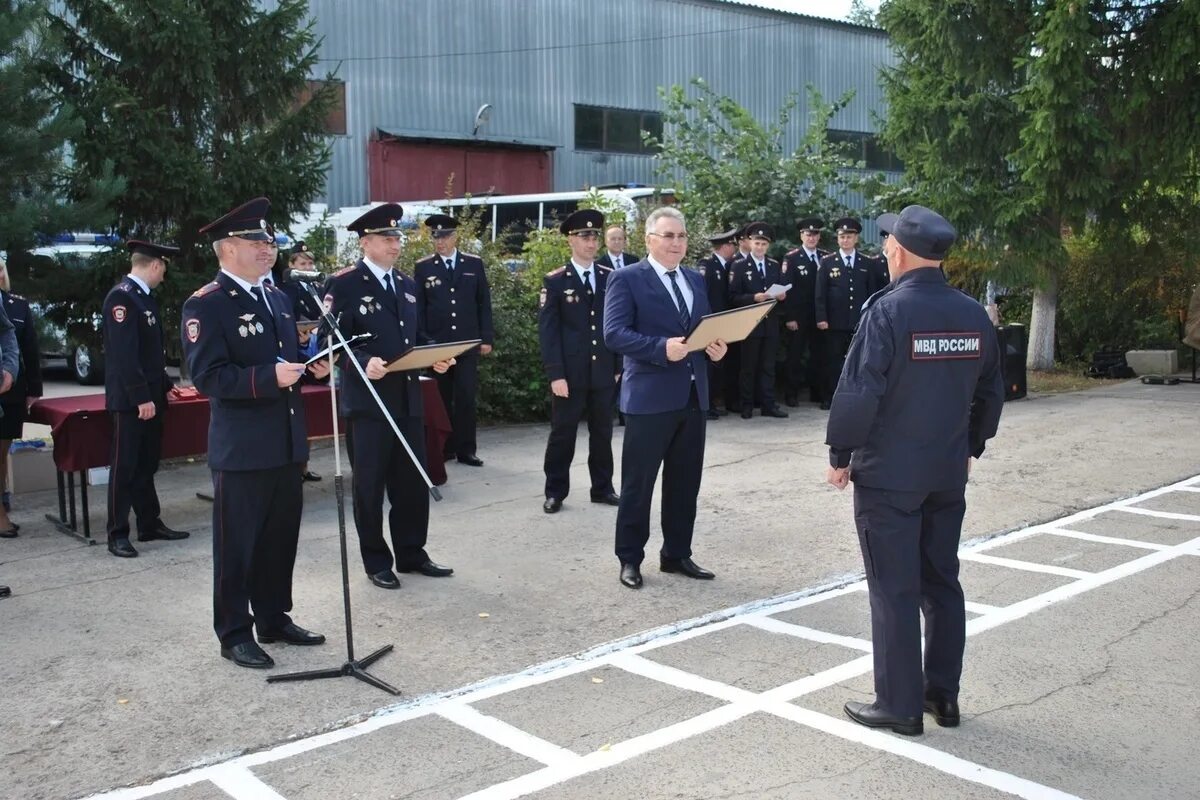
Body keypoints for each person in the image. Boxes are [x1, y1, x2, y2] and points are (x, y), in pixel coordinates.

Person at [825, 205, 1004, 736]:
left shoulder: (888, 311)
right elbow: (991, 393)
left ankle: (899, 706)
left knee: (893, 589)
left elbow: (859, 391)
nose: (883, 248)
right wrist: (972, 446)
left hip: (889, 479)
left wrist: (840, 454)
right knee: (941, 582)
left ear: (899, 251)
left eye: (886, 242)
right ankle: (941, 697)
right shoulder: (973, 314)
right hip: (947, 474)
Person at [182, 197, 329, 669]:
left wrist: (312, 369)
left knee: (279, 539)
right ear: (228, 249)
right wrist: (269, 377)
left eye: (269, 242)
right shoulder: (207, 304)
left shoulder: (278, 298)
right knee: (237, 545)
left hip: (285, 442)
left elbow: (288, 364)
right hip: (243, 448)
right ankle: (233, 632)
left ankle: (273, 617)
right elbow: (208, 377)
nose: (268, 249)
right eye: (256, 242)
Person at [326, 203, 455, 590]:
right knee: (370, 485)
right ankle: (376, 560)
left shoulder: (406, 284)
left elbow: (417, 338)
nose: (395, 243)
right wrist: (363, 362)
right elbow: (330, 340)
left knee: (412, 481)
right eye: (387, 238)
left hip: (408, 398)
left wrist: (437, 357)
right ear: (365, 242)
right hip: (368, 403)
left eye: (397, 237)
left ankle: (412, 553)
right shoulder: (344, 283)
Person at [603, 206, 728, 589]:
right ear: (650, 239)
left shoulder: (695, 278)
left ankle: (676, 554)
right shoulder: (627, 279)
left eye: (682, 236)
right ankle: (629, 558)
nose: (677, 243)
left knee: (684, 482)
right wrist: (660, 348)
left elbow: (701, 329)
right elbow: (614, 334)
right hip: (649, 398)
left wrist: (715, 347)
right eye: (668, 236)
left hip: (692, 394)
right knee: (639, 484)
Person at [101, 240, 190, 558]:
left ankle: (149, 523)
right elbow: (125, 357)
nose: (164, 274)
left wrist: (164, 384)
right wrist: (141, 397)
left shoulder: (143, 298)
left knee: (146, 464)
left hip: (150, 397)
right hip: (131, 401)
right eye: (163, 267)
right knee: (124, 466)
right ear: (155, 265)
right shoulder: (122, 298)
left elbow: (150, 353)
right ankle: (117, 533)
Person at [538, 209, 621, 514]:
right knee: (563, 434)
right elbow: (548, 333)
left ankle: (602, 488)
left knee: (602, 433)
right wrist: (555, 374)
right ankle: (555, 491)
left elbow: (618, 325)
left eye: (594, 236)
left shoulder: (610, 277)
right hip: (569, 374)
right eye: (584, 236)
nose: (591, 241)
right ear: (570, 240)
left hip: (602, 370)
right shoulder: (556, 280)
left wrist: (617, 367)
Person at [414, 214, 494, 467]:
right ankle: (444, 448)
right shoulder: (423, 266)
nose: (440, 242)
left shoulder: (473, 263)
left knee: (466, 397)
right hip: (437, 345)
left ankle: (466, 449)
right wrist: (424, 342)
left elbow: (484, 303)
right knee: (440, 397)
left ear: (455, 237)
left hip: (467, 343)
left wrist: (486, 337)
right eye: (436, 237)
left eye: (445, 237)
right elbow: (419, 309)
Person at [270, 240, 324, 482]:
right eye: (302, 263)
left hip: (314, 352)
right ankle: (294, 466)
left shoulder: (317, 289)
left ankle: (303, 464)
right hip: (292, 356)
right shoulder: (285, 291)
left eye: (310, 263)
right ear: (292, 265)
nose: (308, 267)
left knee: (312, 416)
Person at [728, 222, 788, 419]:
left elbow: (779, 288)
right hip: (750, 323)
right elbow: (733, 296)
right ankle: (746, 405)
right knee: (748, 366)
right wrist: (753, 298)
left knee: (768, 366)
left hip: (770, 323)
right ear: (749, 243)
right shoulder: (739, 266)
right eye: (756, 243)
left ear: (767, 246)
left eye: (763, 244)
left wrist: (780, 296)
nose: (760, 247)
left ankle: (768, 405)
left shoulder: (773, 265)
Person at [0, 257, 42, 532]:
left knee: (2, 451)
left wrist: (32, 388)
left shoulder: (16, 304)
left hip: (10, 390)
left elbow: (27, 347)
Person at [815, 217, 872, 410]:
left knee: (858, 361)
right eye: (842, 237)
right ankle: (829, 397)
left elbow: (871, 292)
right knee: (832, 360)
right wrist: (821, 318)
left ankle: (855, 396)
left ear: (856, 239)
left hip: (858, 321)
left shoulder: (866, 262)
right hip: (834, 321)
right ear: (837, 239)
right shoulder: (828, 262)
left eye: (849, 237)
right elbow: (820, 293)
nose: (845, 240)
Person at [781, 217, 828, 407]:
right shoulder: (791, 258)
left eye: (815, 234)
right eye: (808, 234)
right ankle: (791, 394)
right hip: (798, 316)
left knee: (819, 355)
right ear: (801, 235)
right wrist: (789, 316)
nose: (812, 237)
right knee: (795, 355)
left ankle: (817, 392)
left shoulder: (826, 257)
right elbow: (786, 288)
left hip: (819, 315)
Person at [696, 227, 738, 419]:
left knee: (722, 365)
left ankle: (720, 401)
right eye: (732, 245)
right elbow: (703, 295)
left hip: (724, 322)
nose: (734, 249)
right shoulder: (708, 265)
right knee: (710, 366)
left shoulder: (727, 266)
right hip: (712, 322)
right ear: (725, 246)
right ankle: (708, 404)